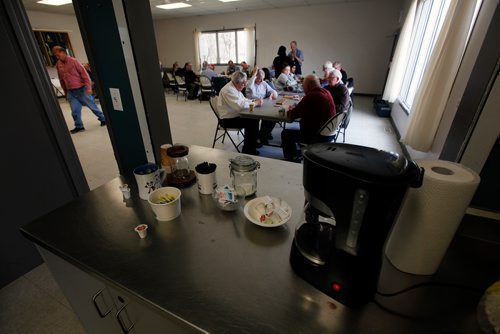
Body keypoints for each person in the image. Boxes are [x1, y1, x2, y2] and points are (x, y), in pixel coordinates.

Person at [281, 75, 336, 162]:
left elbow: (292, 115)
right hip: (329, 133)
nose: (303, 89)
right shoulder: (326, 92)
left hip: (317, 135)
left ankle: (292, 158)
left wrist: (290, 109)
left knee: (286, 133)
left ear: (308, 86)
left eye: (303, 86)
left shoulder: (312, 96)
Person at [52, 45, 106, 134]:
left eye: (58, 54)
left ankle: (103, 119)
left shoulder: (74, 61)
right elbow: (61, 78)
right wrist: (65, 91)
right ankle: (79, 126)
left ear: (63, 52)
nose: (57, 56)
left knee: (93, 107)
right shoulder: (58, 64)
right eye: (55, 55)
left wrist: (88, 88)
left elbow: (85, 75)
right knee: (74, 111)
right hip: (71, 92)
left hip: (81, 90)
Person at [218, 72, 264, 155]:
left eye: (245, 82)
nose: (245, 85)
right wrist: (256, 103)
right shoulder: (228, 90)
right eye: (243, 83)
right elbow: (240, 106)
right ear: (236, 82)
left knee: (254, 119)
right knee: (252, 121)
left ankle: (252, 143)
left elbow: (243, 100)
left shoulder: (235, 87)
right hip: (227, 120)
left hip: (234, 115)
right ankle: (248, 149)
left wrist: (253, 101)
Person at [246, 68, 278, 144]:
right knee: (256, 121)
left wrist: (272, 94)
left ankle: (263, 135)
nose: (261, 81)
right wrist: (253, 75)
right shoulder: (250, 84)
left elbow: (273, 91)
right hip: (252, 107)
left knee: (272, 118)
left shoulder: (263, 83)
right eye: (259, 79)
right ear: (255, 77)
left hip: (262, 106)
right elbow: (250, 86)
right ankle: (260, 137)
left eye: (262, 79)